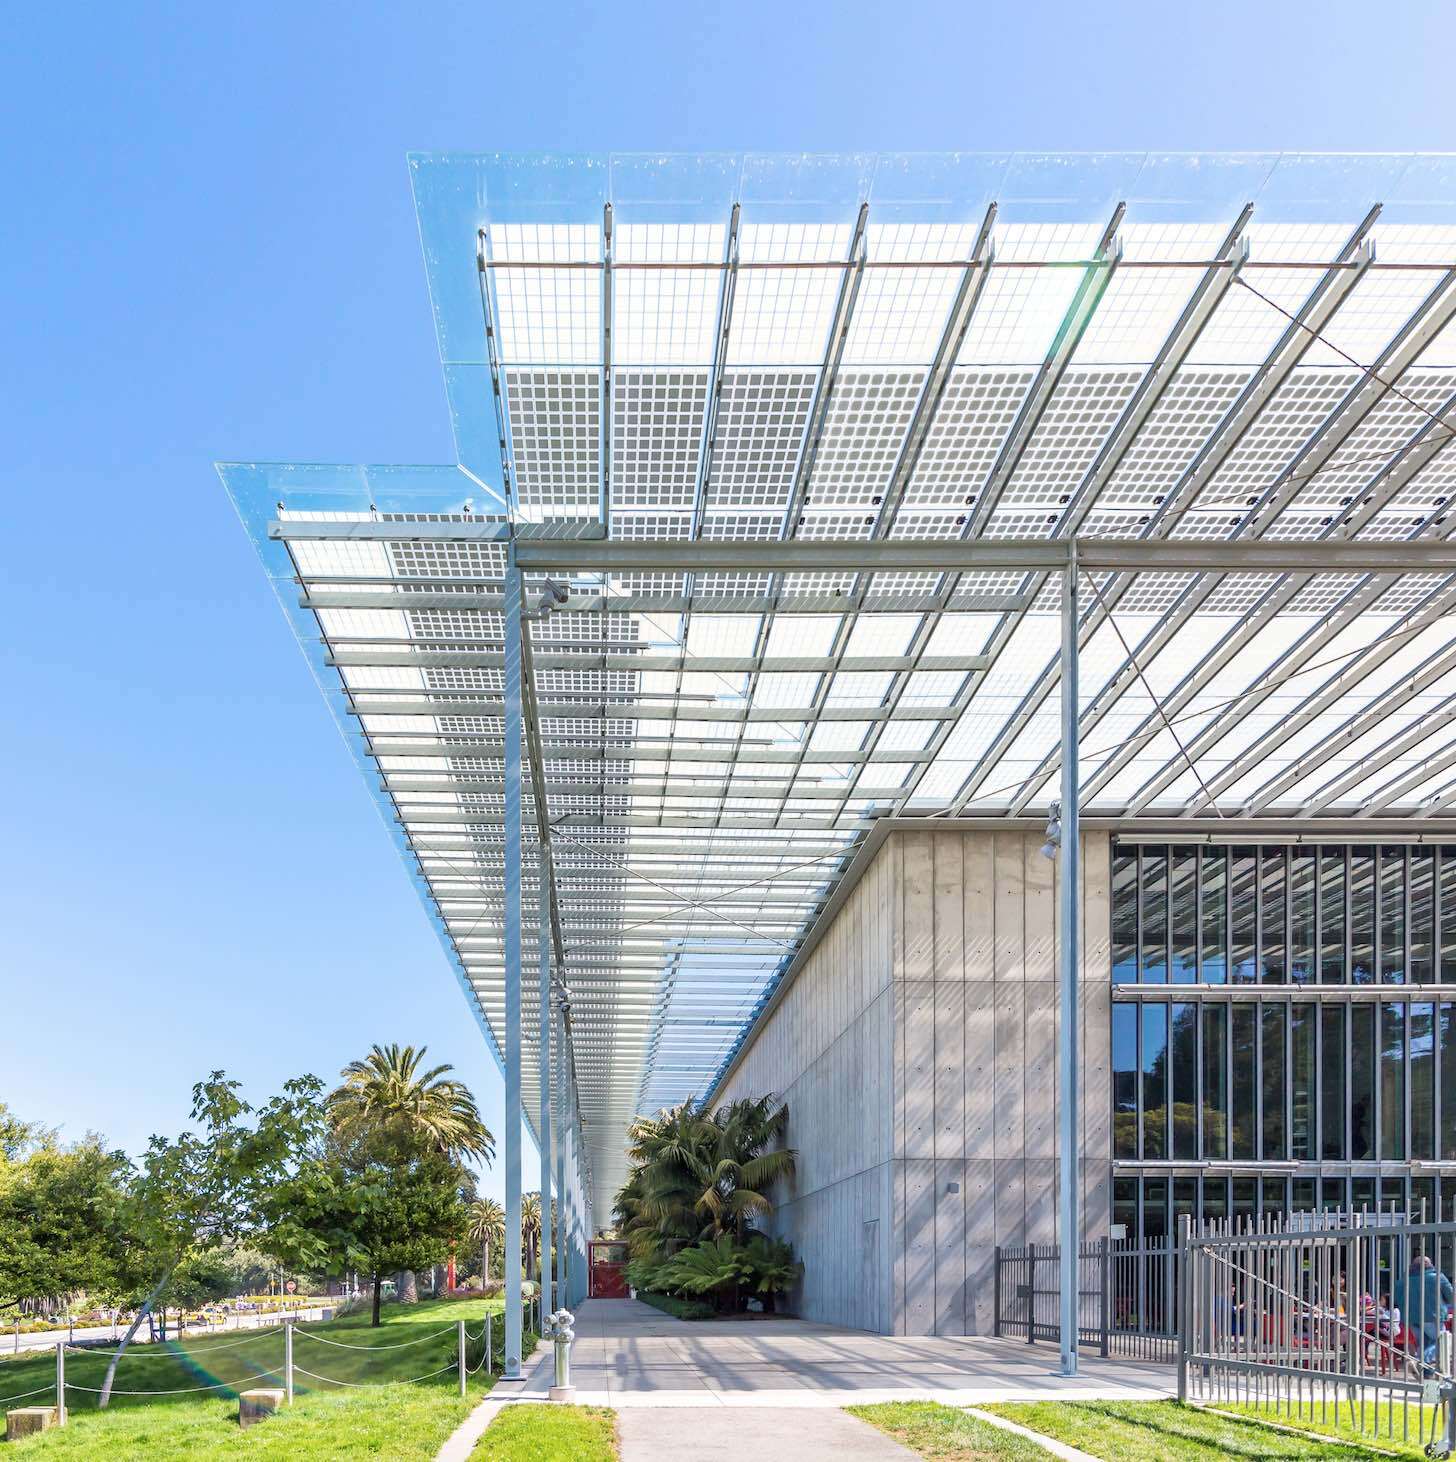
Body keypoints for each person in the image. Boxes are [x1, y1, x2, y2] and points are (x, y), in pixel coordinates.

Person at [1393, 1255, 1454, 1366]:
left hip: (1411, 1318)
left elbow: (1396, 1299)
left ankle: (1424, 1371)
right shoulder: (1438, 1277)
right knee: (1441, 1342)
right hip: (1432, 1316)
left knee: (1423, 1344)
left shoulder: (1403, 1281)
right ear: (1429, 1265)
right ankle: (1419, 1360)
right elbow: (1451, 1296)